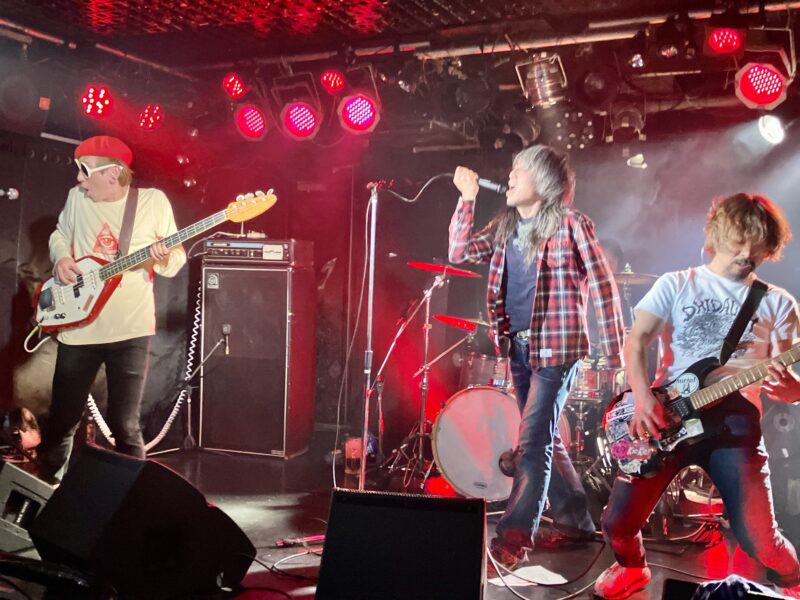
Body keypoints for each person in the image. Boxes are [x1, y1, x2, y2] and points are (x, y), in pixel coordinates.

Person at [596, 193, 800, 599]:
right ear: (717, 235)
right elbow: (635, 341)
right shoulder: (675, 284)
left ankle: (793, 584)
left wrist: (794, 391)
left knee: (760, 540)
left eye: (757, 247)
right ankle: (633, 569)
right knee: (617, 523)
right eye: (739, 242)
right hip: (669, 415)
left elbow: (790, 379)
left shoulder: (777, 302)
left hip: (735, 424)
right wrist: (642, 398)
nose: (747, 255)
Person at [449, 145, 626, 569]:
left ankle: (513, 539)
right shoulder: (505, 225)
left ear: (544, 180)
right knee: (544, 438)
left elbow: (603, 285)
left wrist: (615, 353)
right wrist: (467, 200)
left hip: (558, 349)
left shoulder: (571, 224)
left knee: (531, 442)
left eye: (519, 170)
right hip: (519, 346)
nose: (509, 177)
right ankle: (576, 520)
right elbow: (459, 253)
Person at [36, 135, 186, 484]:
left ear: (113, 173)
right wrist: (62, 258)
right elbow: (59, 234)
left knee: (125, 425)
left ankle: (129, 499)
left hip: (130, 329)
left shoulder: (152, 202)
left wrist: (162, 257)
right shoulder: (77, 198)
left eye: (85, 170)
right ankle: (45, 491)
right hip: (79, 327)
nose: (79, 179)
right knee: (62, 419)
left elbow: (175, 260)